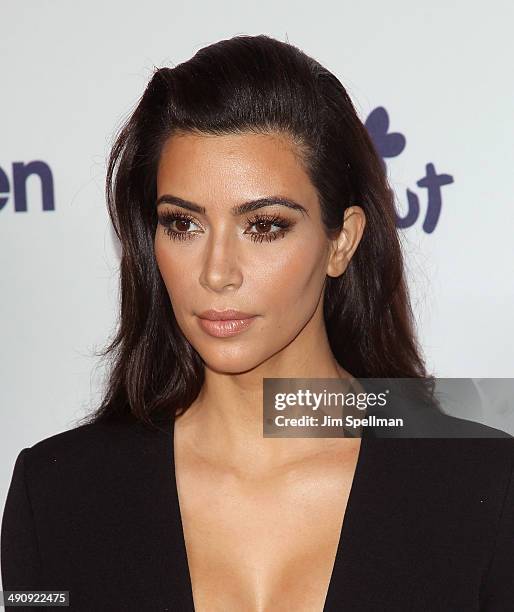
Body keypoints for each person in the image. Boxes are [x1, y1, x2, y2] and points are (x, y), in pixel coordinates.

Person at [1, 34, 513, 611]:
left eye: (264, 226)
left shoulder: (485, 488)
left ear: (341, 240)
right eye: (183, 225)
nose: (217, 272)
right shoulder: (57, 494)